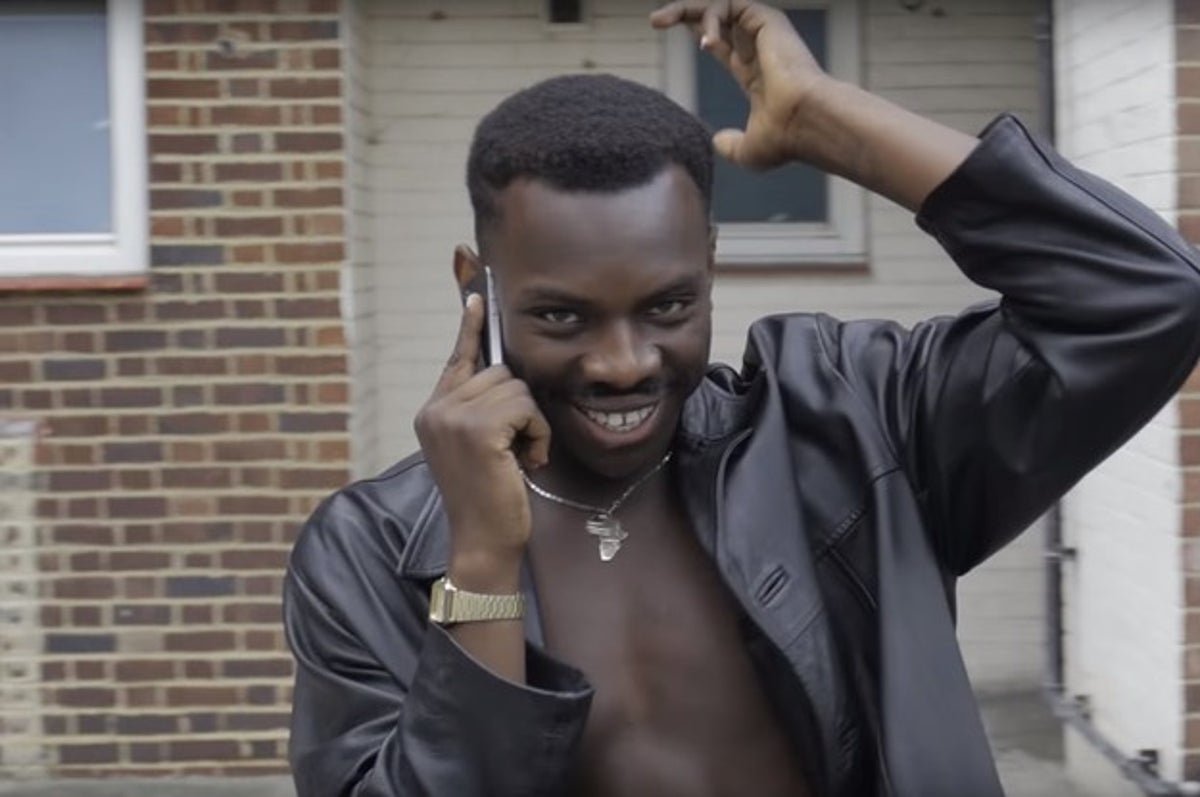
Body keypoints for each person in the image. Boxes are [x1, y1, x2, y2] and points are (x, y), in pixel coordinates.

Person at [283, 2, 1200, 795]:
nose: (623, 363)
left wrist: (830, 122)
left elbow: (1145, 297)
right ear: (474, 286)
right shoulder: (367, 551)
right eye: (562, 315)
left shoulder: (850, 429)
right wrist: (482, 563)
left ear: (710, 266)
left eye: (668, 306)